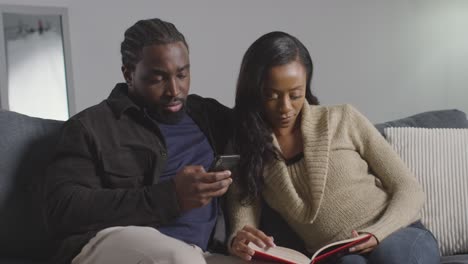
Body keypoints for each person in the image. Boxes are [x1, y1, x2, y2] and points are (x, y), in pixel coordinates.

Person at [227, 31, 440, 264]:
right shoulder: (247, 147)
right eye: (272, 96)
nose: (285, 107)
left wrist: (377, 233)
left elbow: (409, 188)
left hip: (397, 232)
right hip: (337, 254)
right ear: (254, 91)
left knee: (391, 257)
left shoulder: (343, 118)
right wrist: (240, 241)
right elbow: (243, 222)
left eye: (295, 95)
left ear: (306, 87)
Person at [45, 18, 235, 264]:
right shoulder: (90, 126)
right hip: (107, 244)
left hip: (200, 253)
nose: (174, 90)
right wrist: (169, 197)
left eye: (182, 74)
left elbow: (264, 125)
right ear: (129, 73)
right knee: (180, 259)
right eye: (158, 79)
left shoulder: (209, 115)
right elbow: (63, 209)